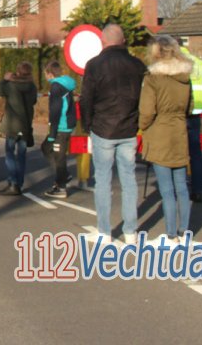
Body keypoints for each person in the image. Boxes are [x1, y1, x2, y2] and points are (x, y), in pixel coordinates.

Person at [80, 24, 146, 243]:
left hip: (102, 129)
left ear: (103, 42)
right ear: (124, 41)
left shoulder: (94, 65)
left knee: (103, 181)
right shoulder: (137, 65)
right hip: (129, 128)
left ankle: (104, 232)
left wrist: (87, 125)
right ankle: (130, 232)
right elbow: (144, 98)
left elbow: (87, 98)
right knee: (129, 180)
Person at [140, 35, 193, 245]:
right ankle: (184, 232)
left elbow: (146, 111)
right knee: (181, 187)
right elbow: (189, 107)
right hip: (179, 132)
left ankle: (171, 236)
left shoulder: (152, 78)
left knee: (167, 189)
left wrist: (142, 127)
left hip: (159, 133)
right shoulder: (185, 77)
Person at [0, 61, 37, 196]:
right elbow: (34, 101)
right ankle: (19, 183)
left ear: (17, 71)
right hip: (25, 125)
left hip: (12, 125)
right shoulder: (32, 86)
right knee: (22, 155)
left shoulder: (11, 86)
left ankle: (12, 183)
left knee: (10, 154)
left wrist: (5, 80)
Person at [42, 60, 77, 199]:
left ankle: (61, 185)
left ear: (49, 74)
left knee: (58, 155)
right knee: (46, 148)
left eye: (45, 74)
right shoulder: (65, 84)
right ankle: (62, 176)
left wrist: (52, 133)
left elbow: (56, 111)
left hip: (61, 126)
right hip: (66, 124)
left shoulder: (56, 87)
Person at [180, 42, 202, 202]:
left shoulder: (174, 64)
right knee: (195, 152)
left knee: (178, 153)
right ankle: (197, 188)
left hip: (179, 113)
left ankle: (181, 189)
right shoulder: (200, 63)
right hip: (197, 112)